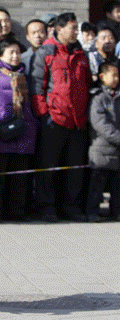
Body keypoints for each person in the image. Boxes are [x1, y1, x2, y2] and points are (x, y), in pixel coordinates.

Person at [30, 12, 91, 222]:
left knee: (74, 168)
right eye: (73, 28)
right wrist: (44, 114)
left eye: (77, 28)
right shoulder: (46, 52)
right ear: (59, 28)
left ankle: (71, 207)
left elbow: (87, 84)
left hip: (78, 121)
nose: (76, 32)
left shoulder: (81, 54)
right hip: (54, 120)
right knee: (49, 167)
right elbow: (37, 86)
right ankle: (47, 207)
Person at [0, 39, 39, 222]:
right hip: (2, 134)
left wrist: (33, 123)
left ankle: (17, 212)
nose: (15, 56)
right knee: (0, 177)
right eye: (11, 52)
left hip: (25, 134)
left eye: (18, 52)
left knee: (20, 179)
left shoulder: (25, 76)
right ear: (1, 55)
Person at [86, 62, 120, 222]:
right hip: (101, 149)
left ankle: (116, 212)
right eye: (113, 75)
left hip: (117, 152)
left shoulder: (118, 95)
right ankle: (92, 212)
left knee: (117, 187)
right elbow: (100, 125)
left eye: (117, 75)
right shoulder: (98, 97)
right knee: (97, 186)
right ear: (102, 77)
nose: (116, 78)